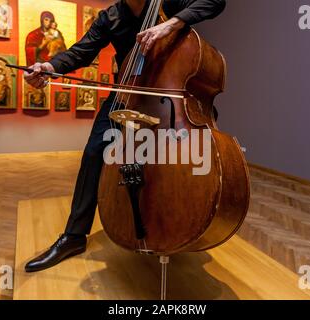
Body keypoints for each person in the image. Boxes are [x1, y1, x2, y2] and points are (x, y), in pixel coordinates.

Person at [24, 0, 226, 273]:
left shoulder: (170, 3)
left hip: (170, 95)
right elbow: (81, 52)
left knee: (174, 159)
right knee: (96, 152)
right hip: (127, 91)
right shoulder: (110, 17)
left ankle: (177, 220)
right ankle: (74, 236)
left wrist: (172, 23)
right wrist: (49, 67)